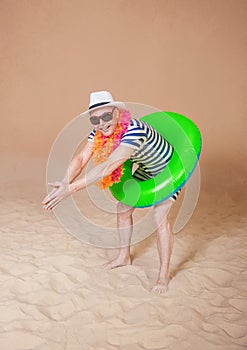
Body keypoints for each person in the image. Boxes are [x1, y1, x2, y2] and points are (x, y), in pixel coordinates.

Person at [42, 91, 181, 294]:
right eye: (95, 119)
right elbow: (81, 158)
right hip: (147, 168)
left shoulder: (134, 129)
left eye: (106, 116)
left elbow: (109, 167)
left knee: (160, 215)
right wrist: (64, 183)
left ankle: (163, 275)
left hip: (168, 169)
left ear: (117, 113)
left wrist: (69, 191)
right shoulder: (99, 132)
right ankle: (124, 256)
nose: (102, 123)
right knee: (123, 208)